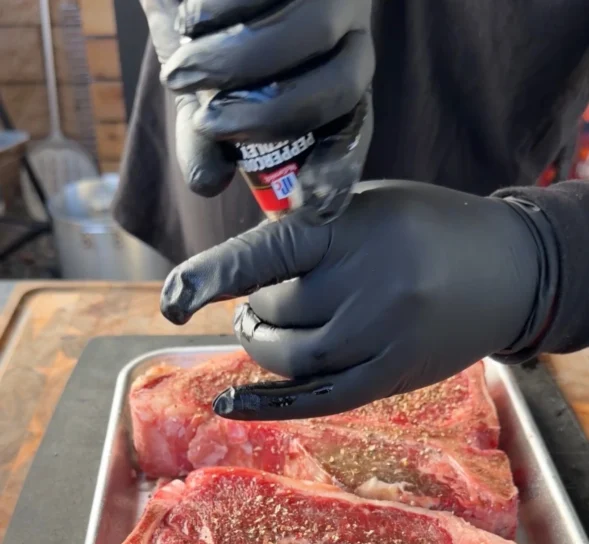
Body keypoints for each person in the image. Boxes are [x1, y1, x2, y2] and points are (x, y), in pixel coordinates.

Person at [115, 0, 589, 420]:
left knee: (421, 348)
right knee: (237, 320)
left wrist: (551, 254)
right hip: (236, 90)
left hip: (473, 141)